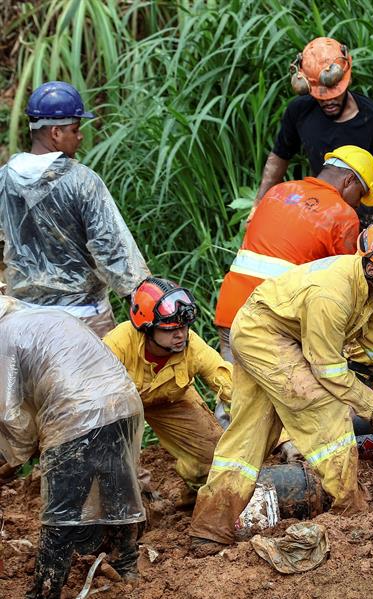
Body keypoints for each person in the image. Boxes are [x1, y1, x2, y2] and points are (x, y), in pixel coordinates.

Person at [189, 217, 373, 553]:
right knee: (324, 409)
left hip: (264, 332)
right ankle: (350, 509)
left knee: (251, 432)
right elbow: (328, 369)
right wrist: (371, 404)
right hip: (265, 336)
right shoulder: (331, 295)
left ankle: (209, 528)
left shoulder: (372, 293)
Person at [0, 296, 144, 599]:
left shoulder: (4, 337)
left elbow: (10, 415)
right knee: (116, 489)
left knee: (61, 513)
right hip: (124, 403)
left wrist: (15, 458)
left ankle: (45, 590)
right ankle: (126, 566)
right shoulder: (39, 317)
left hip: (75, 414)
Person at [0, 81, 149, 337]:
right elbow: (112, 249)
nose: (80, 137)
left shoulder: (4, 180)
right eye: (75, 129)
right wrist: (144, 300)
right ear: (56, 132)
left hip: (23, 318)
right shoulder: (82, 181)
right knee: (95, 378)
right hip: (85, 317)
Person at [215, 145, 373, 363]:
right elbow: (349, 282)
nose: (358, 203)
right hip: (274, 317)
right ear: (349, 180)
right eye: (361, 194)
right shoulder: (342, 214)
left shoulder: (278, 191)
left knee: (230, 385)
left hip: (231, 305)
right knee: (283, 392)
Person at [104, 278, 231, 502]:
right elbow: (92, 394)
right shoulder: (118, 343)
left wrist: (282, 438)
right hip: (120, 408)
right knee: (110, 461)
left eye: (183, 327)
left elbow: (232, 385)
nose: (181, 334)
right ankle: (134, 504)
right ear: (147, 328)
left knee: (212, 454)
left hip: (172, 401)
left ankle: (197, 496)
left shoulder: (193, 345)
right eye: (171, 329)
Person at [255, 37, 373, 222]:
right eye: (320, 95)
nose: (328, 100)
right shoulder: (299, 111)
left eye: (334, 93)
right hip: (321, 214)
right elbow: (279, 156)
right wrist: (258, 205)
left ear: (347, 80)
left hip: (365, 219)